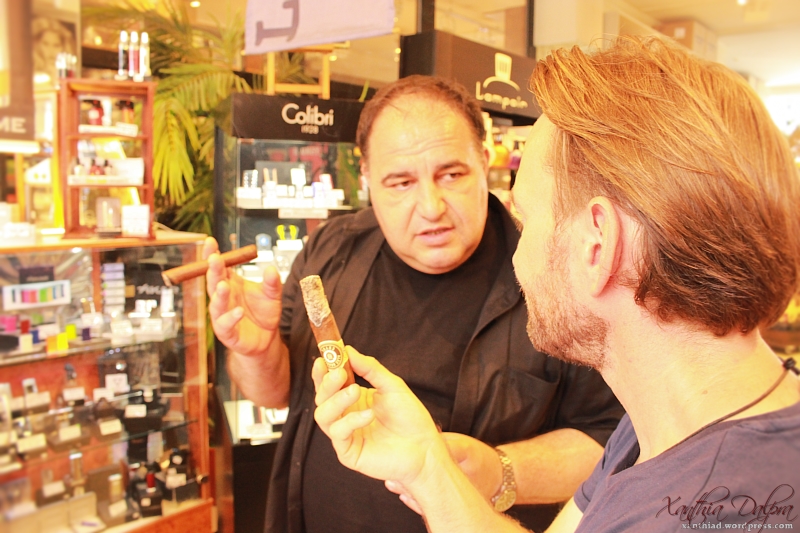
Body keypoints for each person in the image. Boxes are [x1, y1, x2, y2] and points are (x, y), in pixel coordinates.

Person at [312, 35, 800, 532]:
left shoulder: (728, 510)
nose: (516, 257)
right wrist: (427, 468)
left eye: (525, 222)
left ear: (597, 243)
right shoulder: (657, 426)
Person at [203, 75, 623, 533]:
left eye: (451, 175)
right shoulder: (331, 249)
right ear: (367, 180)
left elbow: (611, 441)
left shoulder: (555, 272)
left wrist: (501, 469)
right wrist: (257, 353)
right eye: (401, 182)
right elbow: (278, 393)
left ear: (484, 161)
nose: (431, 206)